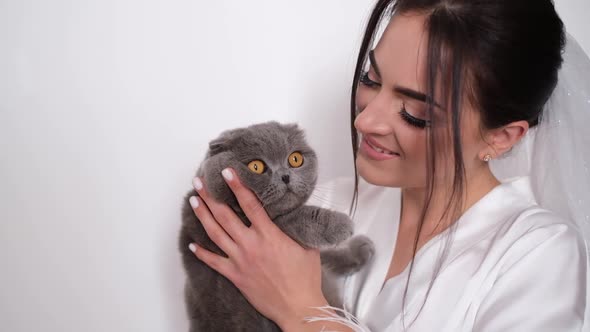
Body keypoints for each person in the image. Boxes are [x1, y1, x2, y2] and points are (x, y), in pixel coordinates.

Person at [186, 0, 590, 331]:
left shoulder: (537, 256)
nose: (365, 121)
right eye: (370, 79)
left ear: (500, 137)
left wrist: (302, 311)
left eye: (416, 112)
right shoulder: (331, 203)